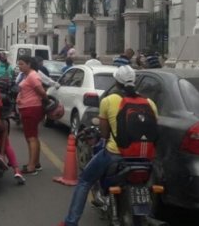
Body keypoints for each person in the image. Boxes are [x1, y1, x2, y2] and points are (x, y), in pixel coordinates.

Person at [59, 65, 158, 226]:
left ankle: (71, 222)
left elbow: (104, 134)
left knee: (84, 181)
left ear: (116, 82)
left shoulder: (109, 100)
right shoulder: (150, 103)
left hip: (116, 154)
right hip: (145, 158)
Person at [16, 55, 47, 175]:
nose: (20, 66)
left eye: (22, 64)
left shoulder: (33, 75)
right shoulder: (28, 75)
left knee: (31, 138)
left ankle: (31, 166)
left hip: (31, 108)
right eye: (19, 64)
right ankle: (35, 163)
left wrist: (45, 99)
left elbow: (41, 91)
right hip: (28, 108)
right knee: (33, 136)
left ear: (29, 64)